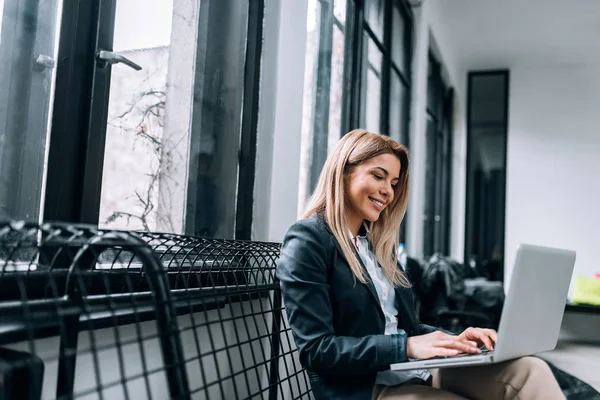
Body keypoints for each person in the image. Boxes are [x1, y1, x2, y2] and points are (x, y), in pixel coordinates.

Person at [276, 130, 564, 400]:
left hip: (413, 370)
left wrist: (455, 341)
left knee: (530, 371)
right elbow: (317, 350)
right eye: (378, 176)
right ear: (343, 171)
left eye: (393, 183)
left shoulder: (374, 247)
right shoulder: (308, 241)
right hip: (367, 386)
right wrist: (408, 347)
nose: (387, 191)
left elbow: (401, 327)